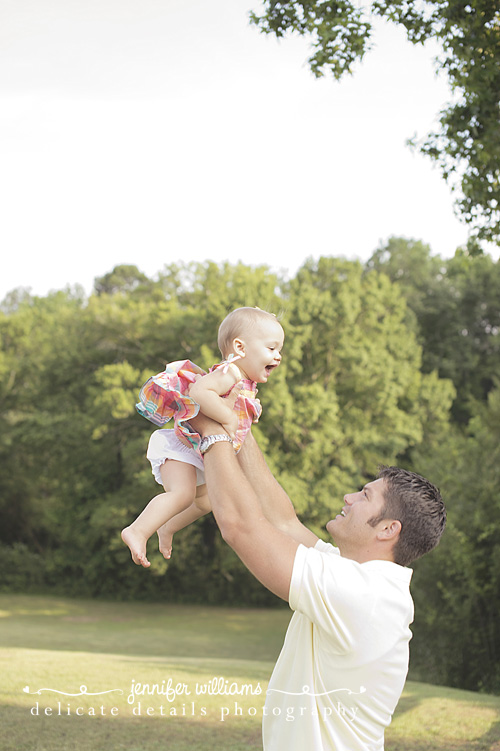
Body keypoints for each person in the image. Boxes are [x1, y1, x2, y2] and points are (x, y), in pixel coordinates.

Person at [189, 409, 446, 751]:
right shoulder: (359, 577)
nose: (348, 498)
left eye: (365, 496)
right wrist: (239, 424)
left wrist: (209, 427)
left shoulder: (363, 596)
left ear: (388, 529)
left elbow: (241, 527)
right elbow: (282, 522)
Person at [121, 307, 285, 568]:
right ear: (240, 348)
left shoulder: (244, 382)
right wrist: (230, 418)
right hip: (182, 448)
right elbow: (199, 393)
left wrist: (246, 411)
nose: (278, 357)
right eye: (272, 348)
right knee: (182, 495)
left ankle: (167, 527)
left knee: (207, 501)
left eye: (279, 350)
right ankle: (138, 530)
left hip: (197, 453)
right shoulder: (229, 373)